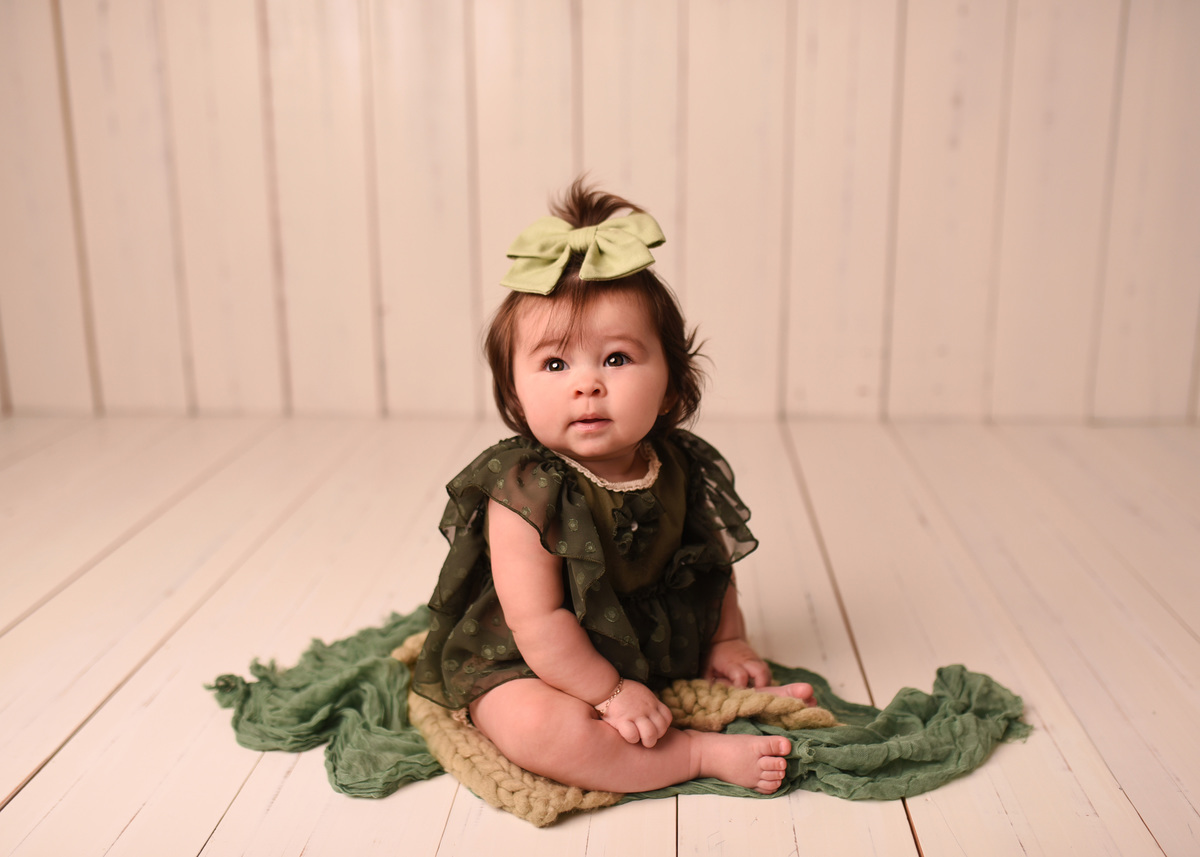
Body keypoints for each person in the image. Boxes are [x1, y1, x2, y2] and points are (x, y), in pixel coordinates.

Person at [413, 179, 814, 794]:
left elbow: (707, 564)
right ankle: (692, 754)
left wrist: (729, 639)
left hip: (642, 643)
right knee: (535, 727)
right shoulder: (525, 491)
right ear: (514, 393)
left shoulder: (678, 463)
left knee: (712, 663)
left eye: (617, 359)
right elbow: (538, 622)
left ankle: (684, 704)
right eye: (555, 364)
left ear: (673, 385)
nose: (587, 384)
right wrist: (610, 692)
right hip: (533, 658)